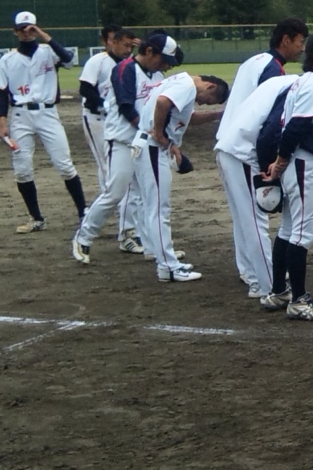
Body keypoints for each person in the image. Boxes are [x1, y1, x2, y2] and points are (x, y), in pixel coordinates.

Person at [216, 17, 308, 294]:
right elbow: (271, 120)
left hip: (228, 142)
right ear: (286, 40)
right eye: (300, 41)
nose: (302, 48)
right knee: (256, 220)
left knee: (244, 218)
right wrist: (272, 162)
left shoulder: (254, 61)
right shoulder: (273, 70)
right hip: (244, 148)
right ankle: (268, 285)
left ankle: (250, 272)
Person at [258, 33, 313, 320]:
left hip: (298, 162)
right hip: (303, 164)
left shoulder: (304, 82)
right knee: (301, 233)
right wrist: (281, 160)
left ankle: (279, 291)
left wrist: (281, 161)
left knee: (288, 229)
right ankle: (298, 300)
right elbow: (297, 126)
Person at [72, 32, 176, 265]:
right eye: (163, 59)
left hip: (144, 141)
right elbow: (126, 107)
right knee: (115, 193)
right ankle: (83, 236)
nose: (166, 66)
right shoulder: (125, 69)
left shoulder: (157, 74)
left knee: (148, 196)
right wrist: (153, 131)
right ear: (149, 52)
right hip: (122, 140)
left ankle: (152, 247)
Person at [0, 11, 87, 232]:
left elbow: (68, 59)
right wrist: (2, 123)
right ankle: (36, 218)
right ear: (15, 32)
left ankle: (84, 214)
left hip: (48, 114)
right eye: (22, 29)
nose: (26, 32)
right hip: (20, 116)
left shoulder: (48, 52)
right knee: (22, 169)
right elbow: (2, 93)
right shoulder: (7, 60)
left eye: (30, 28)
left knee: (64, 165)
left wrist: (43, 34)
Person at [132, 69, 229, 282]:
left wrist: (216, 115)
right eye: (208, 100)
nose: (202, 103)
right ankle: (168, 267)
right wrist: (160, 134)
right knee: (159, 210)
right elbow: (162, 102)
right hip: (151, 146)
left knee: (153, 207)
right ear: (210, 86)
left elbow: (187, 118)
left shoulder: (182, 82)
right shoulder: (187, 86)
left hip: (148, 145)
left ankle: (159, 255)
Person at [76, 25, 141, 248]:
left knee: (120, 174)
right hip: (97, 118)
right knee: (108, 170)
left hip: (118, 121)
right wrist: (105, 104)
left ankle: (121, 219)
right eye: (114, 40)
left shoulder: (132, 63)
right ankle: (112, 216)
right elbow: (85, 89)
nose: (124, 47)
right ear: (108, 42)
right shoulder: (98, 61)